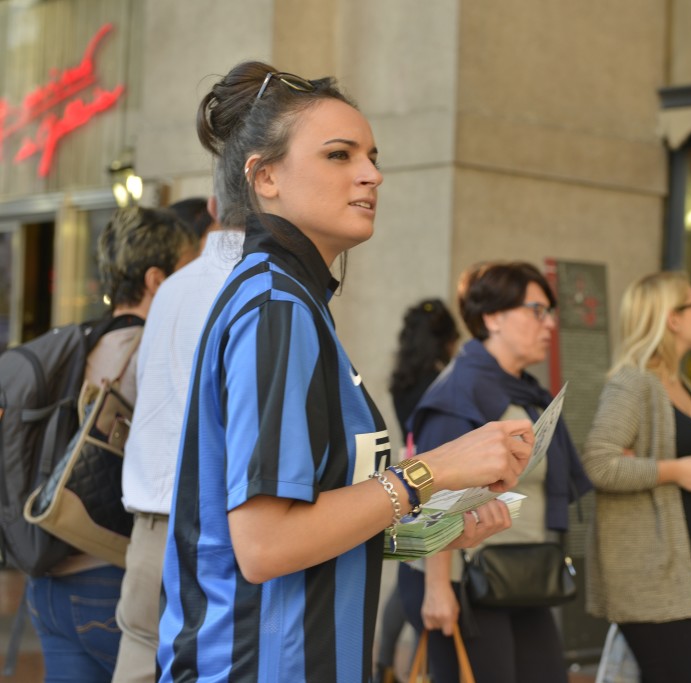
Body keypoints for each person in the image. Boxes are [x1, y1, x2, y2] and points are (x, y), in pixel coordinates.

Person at [156, 61, 531, 683]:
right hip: (260, 663)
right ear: (266, 176)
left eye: (372, 155)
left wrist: (432, 530)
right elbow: (265, 546)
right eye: (339, 155)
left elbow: (313, 517)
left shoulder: (292, 301)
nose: (371, 174)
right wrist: (433, 468)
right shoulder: (275, 305)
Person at [26, 206, 198, 683]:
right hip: (110, 578)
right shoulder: (154, 350)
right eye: (189, 269)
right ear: (157, 279)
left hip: (48, 584)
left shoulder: (75, 344)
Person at [399, 261, 592, 683]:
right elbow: (431, 495)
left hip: (521, 572)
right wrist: (438, 588)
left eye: (550, 312)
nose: (550, 324)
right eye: (537, 310)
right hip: (466, 580)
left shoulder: (523, 389)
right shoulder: (459, 391)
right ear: (493, 317)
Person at [111, 195, 243, 683]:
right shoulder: (260, 287)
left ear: (213, 204)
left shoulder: (172, 289)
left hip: (149, 528)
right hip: (216, 531)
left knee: (138, 658)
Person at [582, 271, 691, 683]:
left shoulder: (677, 380)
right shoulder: (634, 383)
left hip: (689, 567)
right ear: (671, 318)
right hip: (650, 572)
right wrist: (672, 471)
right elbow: (598, 462)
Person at [374, 298, 460, 683]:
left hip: (407, 477)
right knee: (421, 574)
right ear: (447, 339)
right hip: (435, 480)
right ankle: (391, 664)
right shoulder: (445, 383)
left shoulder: (404, 378)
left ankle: (383, 662)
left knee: (410, 572)